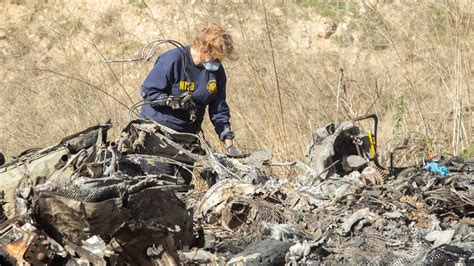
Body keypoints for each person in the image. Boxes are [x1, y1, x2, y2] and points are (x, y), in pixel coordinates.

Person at [139, 25, 244, 157]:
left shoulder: (216, 72)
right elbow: (148, 92)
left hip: (187, 137)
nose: (217, 63)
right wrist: (171, 102)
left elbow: (219, 110)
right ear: (204, 48)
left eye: (220, 60)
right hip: (158, 133)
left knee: (184, 178)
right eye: (215, 58)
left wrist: (229, 144)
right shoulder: (173, 60)